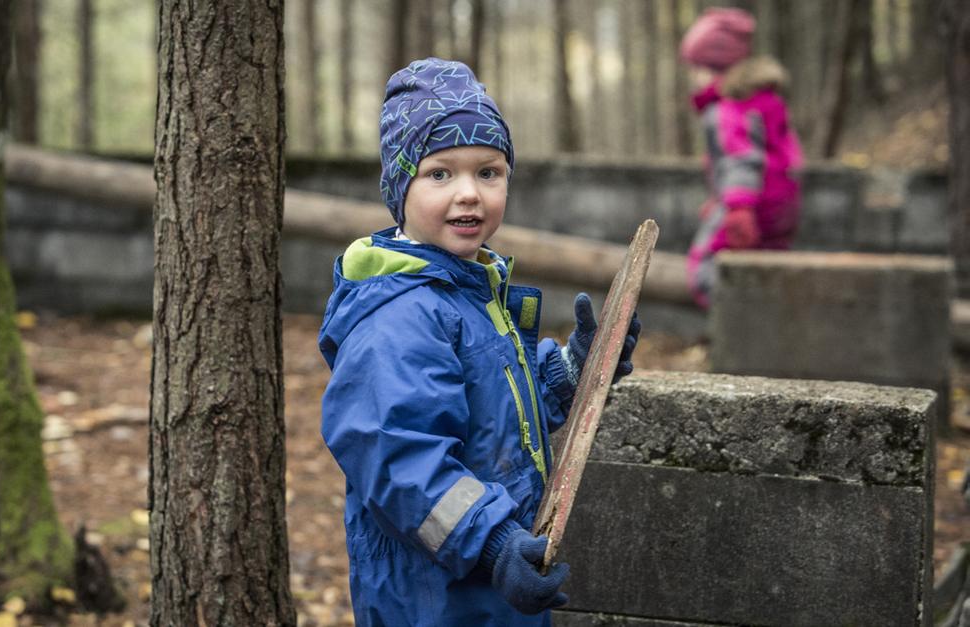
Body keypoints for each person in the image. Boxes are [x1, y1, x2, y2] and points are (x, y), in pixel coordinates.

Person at [318, 57, 641, 626]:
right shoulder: (398, 316)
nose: (469, 193)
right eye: (440, 174)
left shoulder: (469, 288)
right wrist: (492, 542)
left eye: (488, 172)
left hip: (492, 587)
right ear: (400, 186)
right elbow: (399, 460)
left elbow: (496, 415)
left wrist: (571, 373)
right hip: (434, 597)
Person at [680, 7, 804, 309]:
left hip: (749, 205)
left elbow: (741, 158)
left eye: (696, 68)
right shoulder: (762, 99)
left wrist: (737, 206)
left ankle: (731, 322)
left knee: (705, 264)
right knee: (766, 268)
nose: (692, 77)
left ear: (714, 67)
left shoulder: (726, 109)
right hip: (778, 206)